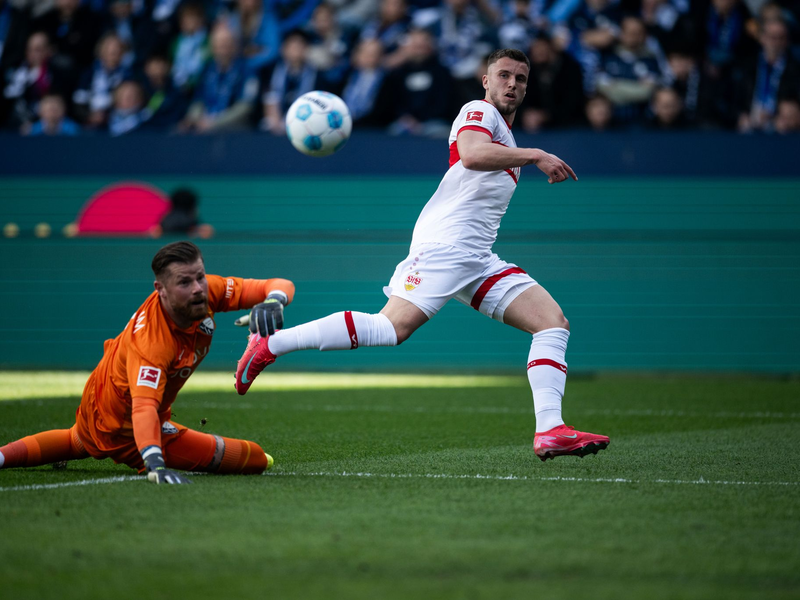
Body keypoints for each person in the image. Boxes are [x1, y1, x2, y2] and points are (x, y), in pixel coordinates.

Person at [235, 48, 610, 462]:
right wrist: (537, 154)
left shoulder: (505, 134)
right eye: (503, 75)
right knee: (391, 328)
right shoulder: (479, 112)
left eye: (520, 79)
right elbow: (472, 154)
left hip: (476, 257)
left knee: (552, 324)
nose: (512, 84)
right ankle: (271, 343)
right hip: (447, 248)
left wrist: (527, 152)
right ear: (485, 81)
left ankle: (551, 430)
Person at [0, 241, 295, 484]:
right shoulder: (153, 344)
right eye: (184, 282)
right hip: (124, 427)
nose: (197, 288)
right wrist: (154, 462)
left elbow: (279, 284)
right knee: (254, 458)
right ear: (160, 289)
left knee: (77, 440)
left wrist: (274, 301)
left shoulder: (203, 292)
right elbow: (143, 410)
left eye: (200, 276)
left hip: (105, 394)